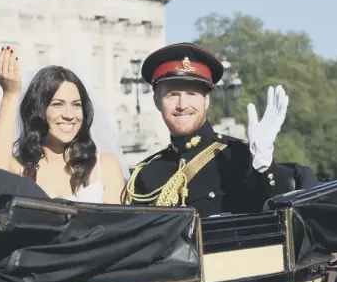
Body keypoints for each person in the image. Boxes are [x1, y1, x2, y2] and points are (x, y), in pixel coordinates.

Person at [124, 42, 320, 217]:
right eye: (172, 95)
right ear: (157, 101)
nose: (182, 104)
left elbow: (281, 209)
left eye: (192, 94)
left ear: (206, 100)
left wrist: (265, 166)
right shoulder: (145, 175)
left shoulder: (239, 157)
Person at [0, 47, 128, 204]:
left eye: (76, 105)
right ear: (38, 109)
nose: (69, 115)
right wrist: (10, 94)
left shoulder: (105, 166)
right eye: (58, 104)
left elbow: (118, 225)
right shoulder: (20, 168)